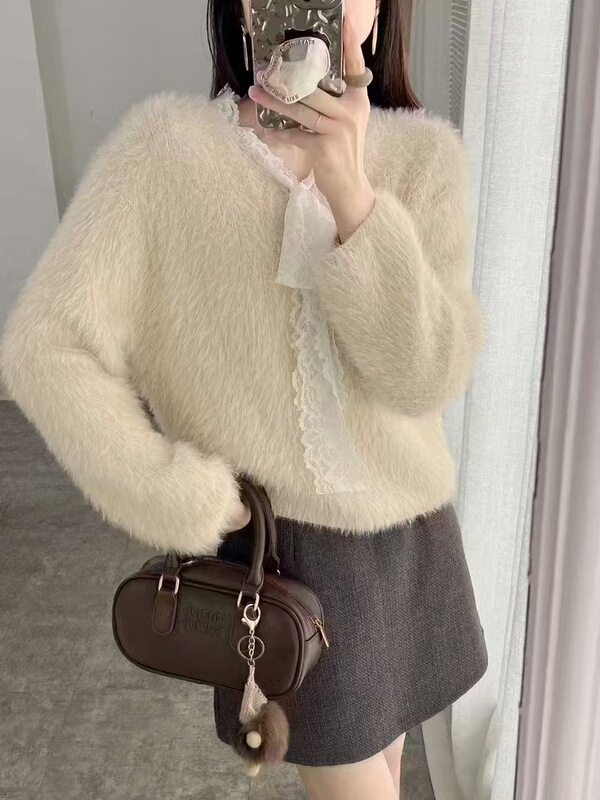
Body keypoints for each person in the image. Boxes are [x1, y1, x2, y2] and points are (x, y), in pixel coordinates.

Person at [0, 1, 489, 798]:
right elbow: (43, 347)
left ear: (379, 8)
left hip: (409, 547)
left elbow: (426, 376)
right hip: (289, 564)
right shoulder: (164, 157)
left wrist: (352, 193)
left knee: (386, 773)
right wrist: (176, 493)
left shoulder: (425, 158)